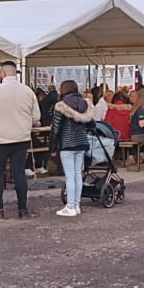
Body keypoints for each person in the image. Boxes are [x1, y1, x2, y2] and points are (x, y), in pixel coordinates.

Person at [0, 62, 40, 219]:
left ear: (2, 74)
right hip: (21, 139)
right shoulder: (28, 91)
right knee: (19, 173)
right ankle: (23, 210)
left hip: (0, 140)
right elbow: (36, 117)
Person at [47, 80, 98, 214]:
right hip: (82, 142)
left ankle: (69, 207)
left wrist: (52, 147)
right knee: (77, 175)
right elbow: (92, 125)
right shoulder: (85, 104)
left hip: (67, 143)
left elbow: (56, 128)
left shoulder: (61, 106)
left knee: (70, 176)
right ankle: (76, 205)